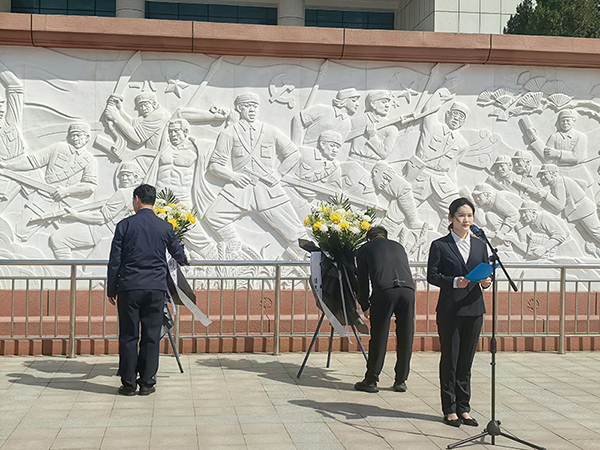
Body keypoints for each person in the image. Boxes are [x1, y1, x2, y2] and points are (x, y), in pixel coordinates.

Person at [107, 184, 188, 396]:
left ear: (137, 199)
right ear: (153, 201)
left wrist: (111, 288)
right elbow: (178, 254)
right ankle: (147, 383)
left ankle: (128, 384)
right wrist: (184, 258)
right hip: (155, 287)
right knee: (151, 336)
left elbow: (115, 260)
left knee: (128, 336)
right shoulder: (165, 227)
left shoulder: (124, 225)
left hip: (129, 287)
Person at [427, 197, 491, 427]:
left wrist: (486, 281)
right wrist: (454, 281)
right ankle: (450, 408)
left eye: (470, 215)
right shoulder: (440, 245)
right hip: (450, 310)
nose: (466, 220)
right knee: (451, 359)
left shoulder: (480, 245)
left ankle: (464, 407)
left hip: (474, 308)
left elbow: (486, 271)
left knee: (466, 361)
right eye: (461, 215)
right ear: (451, 218)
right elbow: (432, 275)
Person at [354, 226, 415, 393]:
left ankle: (371, 380)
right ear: (386, 236)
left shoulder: (365, 249)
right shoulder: (398, 246)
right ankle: (401, 380)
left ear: (369, 238)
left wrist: (364, 304)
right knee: (406, 335)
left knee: (379, 336)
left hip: (385, 290)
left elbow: (362, 280)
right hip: (408, 290)